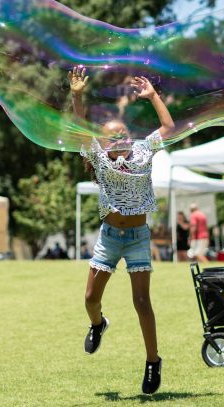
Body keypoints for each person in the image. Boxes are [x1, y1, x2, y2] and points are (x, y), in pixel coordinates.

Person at [69, 66, 174, 394]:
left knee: (142, 301)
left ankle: (153, 361)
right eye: (113, 136)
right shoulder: (99, 159)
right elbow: (81, 129)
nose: (121, 138)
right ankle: (98, 324)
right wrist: (76, 96)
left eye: (123, 133)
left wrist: (153, 95)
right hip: (110, 236)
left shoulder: (143, 150)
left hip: (138, 237)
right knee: (90, 298)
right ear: (103, 143)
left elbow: (169, 128)